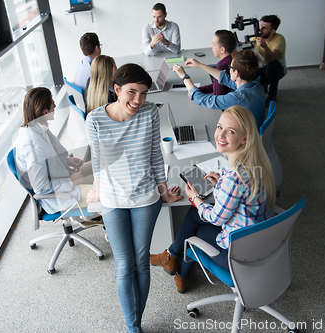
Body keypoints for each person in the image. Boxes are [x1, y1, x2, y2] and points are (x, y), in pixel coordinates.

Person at [85, 63, 183, 332]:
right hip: (113, 201)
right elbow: (98, 161)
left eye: (144, 93)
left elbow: (155, 154)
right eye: (131, 92)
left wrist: (163, 190)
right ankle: (133, 326)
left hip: (145, 199)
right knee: (124, 265)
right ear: (116, 90)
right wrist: (97, 187)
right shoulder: (95, 119)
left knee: (141, 262)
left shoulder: (149, 112)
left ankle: (134, 325)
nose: (138, 100)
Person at [150, 105, 276, 293]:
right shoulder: (254, 163)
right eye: (219, 127)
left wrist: (196, 199)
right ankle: (171, 258)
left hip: (239, 253)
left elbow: (217, 218)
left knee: (193, 232)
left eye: (230, 131)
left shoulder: (234, 177)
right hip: (256, 238)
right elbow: (239, 197)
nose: (221, 134)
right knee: (195, 214)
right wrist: (219, 186)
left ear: (244, 139)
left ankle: (178, 269)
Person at [14, 87, 96, 219]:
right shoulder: (32, 144)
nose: (56, 105)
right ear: (45, 111)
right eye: (52, 102)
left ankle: (94, 218)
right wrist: (70, 182)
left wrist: (66, 161)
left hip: (63, 176)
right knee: (105, 194)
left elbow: (47, 158)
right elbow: (41, 187)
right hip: (58, 197)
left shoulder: (38, 127)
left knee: (97, 166)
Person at [172, 49, 265, 130]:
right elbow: (226, 79)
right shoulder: (257, 86)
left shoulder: (236, 98)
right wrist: (200, 65)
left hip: (244, 138)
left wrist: (184, 76)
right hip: (253, 131)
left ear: (235, 73)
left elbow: (203, 99)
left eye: (230, 67)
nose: (229, 70)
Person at [251, 15, 287, 105]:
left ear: (272, 31)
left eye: (264, 28)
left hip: (276, 69)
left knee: (273, 64)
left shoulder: (279, 39)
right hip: (260, 67)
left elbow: (271, 58)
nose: (261, 29)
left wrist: (264, 46)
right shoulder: (254, 39)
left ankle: (272, 94)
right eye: (261, 26)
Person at [198, 30, 236, 97]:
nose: (211, 46)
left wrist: (195, 94)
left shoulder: (221, 68)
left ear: (222, 49)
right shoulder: (233, 60)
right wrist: (200, 90)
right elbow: (220, 84)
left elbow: (217, 97)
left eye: (213, 44)